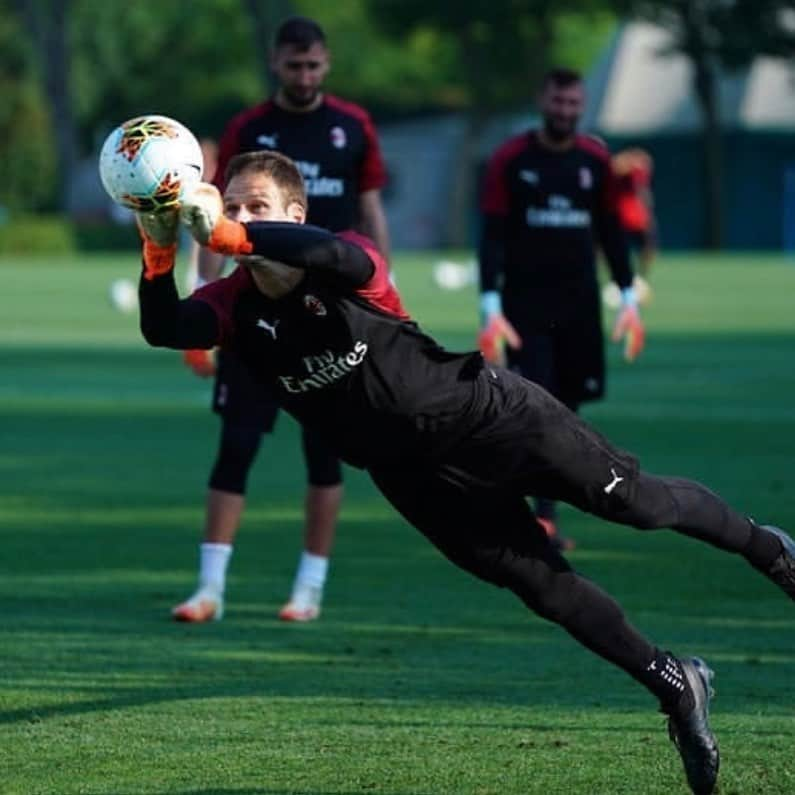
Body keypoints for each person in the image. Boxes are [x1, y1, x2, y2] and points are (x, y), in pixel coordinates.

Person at [135, 149, 794, 795]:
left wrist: (231, 231)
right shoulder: (230, 301)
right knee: (545, 589)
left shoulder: (346, 257)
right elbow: (166, 326)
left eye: (259, 206)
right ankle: (675, 684)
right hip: (414, 478)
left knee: (639, 504)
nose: (244, 214)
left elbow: (330, 255)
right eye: (235, 204)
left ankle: (770, 550)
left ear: (294, 212)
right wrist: (157, 248)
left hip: (493, 418)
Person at [173, 15, 390, 623]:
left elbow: (369, 211)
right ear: (276, 63)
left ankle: (309, 590)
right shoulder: (249, 127)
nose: (304, 75)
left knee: (325, 455)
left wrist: (384, 284)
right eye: (294, 65)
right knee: (236, 446)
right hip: (251, 308)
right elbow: (210, 216)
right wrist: (201, 298)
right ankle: (209, 589)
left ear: (326, 63)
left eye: (314, 65)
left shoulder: (353, 127)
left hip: (328, 314)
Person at [477, 67, 645, 551]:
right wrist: (490, 303)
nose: (565, 111)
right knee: (538, 408)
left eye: (573, 104)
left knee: (569, 410)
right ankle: (541, 518)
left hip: (580, 307)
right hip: (525, 308)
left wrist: (628, 295)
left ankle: (541, 507)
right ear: (542, 101)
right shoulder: (511, 159)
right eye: (558, 102)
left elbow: (612, 233)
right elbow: (491, 236)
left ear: (582, 105)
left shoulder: (595, 160)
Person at [606, 147, 657, 306]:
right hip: (620, 216)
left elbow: (644, 189)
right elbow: (615, 166)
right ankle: (615, 281)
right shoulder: (617, 169)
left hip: (638, 216)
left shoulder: (640, 173)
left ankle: (639, 279)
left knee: (648, 247)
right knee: (614, 250)